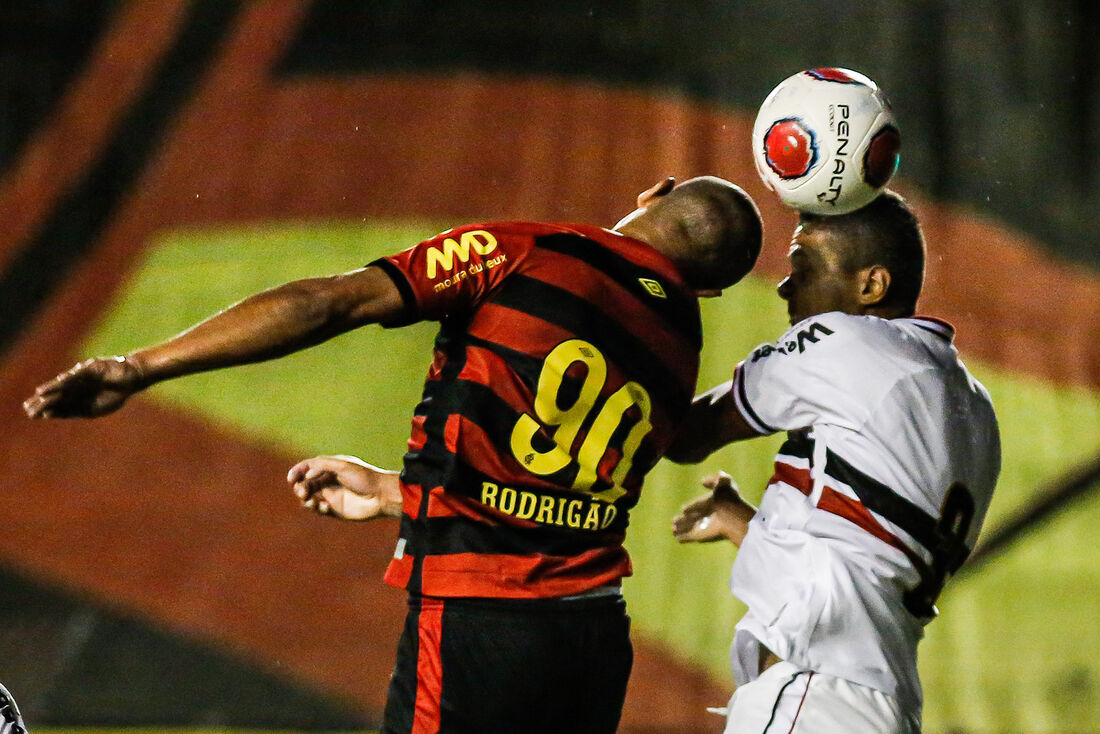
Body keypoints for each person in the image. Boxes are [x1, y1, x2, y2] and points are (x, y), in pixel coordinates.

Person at [24, 175, 763, 734]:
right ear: (712, 287)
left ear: (654, 192)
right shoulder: (677, 348)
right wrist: (390, 494)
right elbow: (548, 507)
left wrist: (140, 367)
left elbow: (328, 304)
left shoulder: (528, 253)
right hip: (592, 642)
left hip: (480, 623)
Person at [667, 191, 1000, 734]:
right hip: (874, 700)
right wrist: (740, 521)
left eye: (803, 267)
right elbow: (867, 559)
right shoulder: (975, 406)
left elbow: (681, 433)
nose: (784, 285)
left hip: (813, 695)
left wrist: (665, 275)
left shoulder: (845, 344)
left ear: (870, 285)